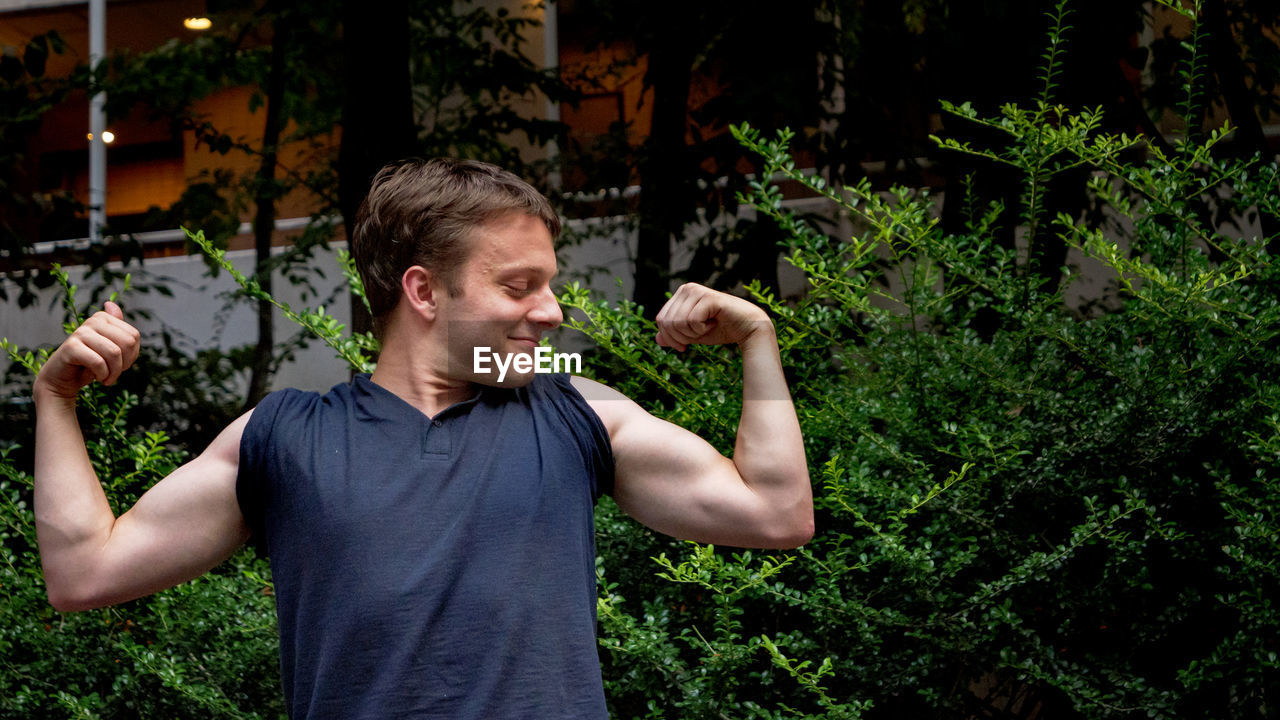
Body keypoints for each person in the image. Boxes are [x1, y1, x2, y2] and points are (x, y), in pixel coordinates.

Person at [32, 158, 813, 719]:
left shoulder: (578, 415)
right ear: (423, 290)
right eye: (519, 286)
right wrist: (55, 395)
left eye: (550, 284)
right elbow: (84, 572)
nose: (550, 313)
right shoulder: (284, 438)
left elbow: (776, 515)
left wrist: (758, 339)